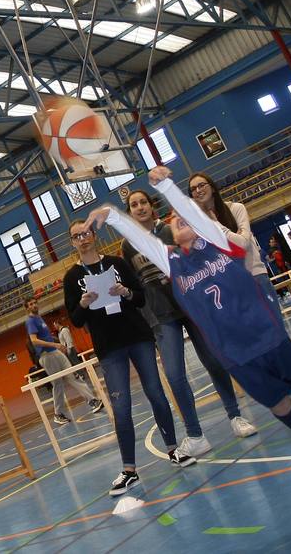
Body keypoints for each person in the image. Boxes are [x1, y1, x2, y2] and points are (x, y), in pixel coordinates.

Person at [89, 166, 291, 476]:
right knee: (279, 404)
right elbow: (142, 238)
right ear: (172, 238)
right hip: (234, 352)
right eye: (175, 223)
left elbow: (193, 212)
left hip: (266, 334)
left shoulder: (219, 242)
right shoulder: (173, 262)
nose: (179, 221)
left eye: (184, 218)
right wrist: (112, 215)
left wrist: (166, 186)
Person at [63, 219, 192, 497]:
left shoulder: (118, 264)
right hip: (109, 347)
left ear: (93, 235)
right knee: (121, 408)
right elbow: (74, 319)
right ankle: (129, 469)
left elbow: (141, 298)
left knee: (156, 393)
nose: (82, 239)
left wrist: (126, 292)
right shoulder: (71, 277)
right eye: (76, 236)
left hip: (138, 336)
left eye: (86, 233)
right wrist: (83, 304)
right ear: (72, 242)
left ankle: (173, 450)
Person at [119, 189, 256, 446]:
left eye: (143, 202)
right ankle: (195, 434)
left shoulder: (172, 229)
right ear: (129, 213)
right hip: (161, 316)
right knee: (174, 374)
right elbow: (136, 283)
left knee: (214, 362)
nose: (139, 207)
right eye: (133, 205)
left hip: (193, 306)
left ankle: (235, 416)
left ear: (151, 205)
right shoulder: (128, 245)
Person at [188, 172, 275, 304]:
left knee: (273, 324)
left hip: (255, 276)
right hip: (229, 285)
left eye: (201, 185)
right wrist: (234, 236)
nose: (198, 190)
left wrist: (214, 223)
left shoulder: (236, 209)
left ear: (212, 188)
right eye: (193, 189)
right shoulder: (198, 226)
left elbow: (243, 244)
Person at [24, 299, 101, 425]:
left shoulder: (40, 318)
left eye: (35, 303)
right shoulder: (30, 321)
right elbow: (34, 341)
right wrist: (54, 344)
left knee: (72, 375)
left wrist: (58, 345)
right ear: (27, 308)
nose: (34, 305)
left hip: (55, 351)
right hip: (46, 355)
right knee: (58, 384)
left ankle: (93, 400)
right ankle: (58, 413)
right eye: (30, 304)